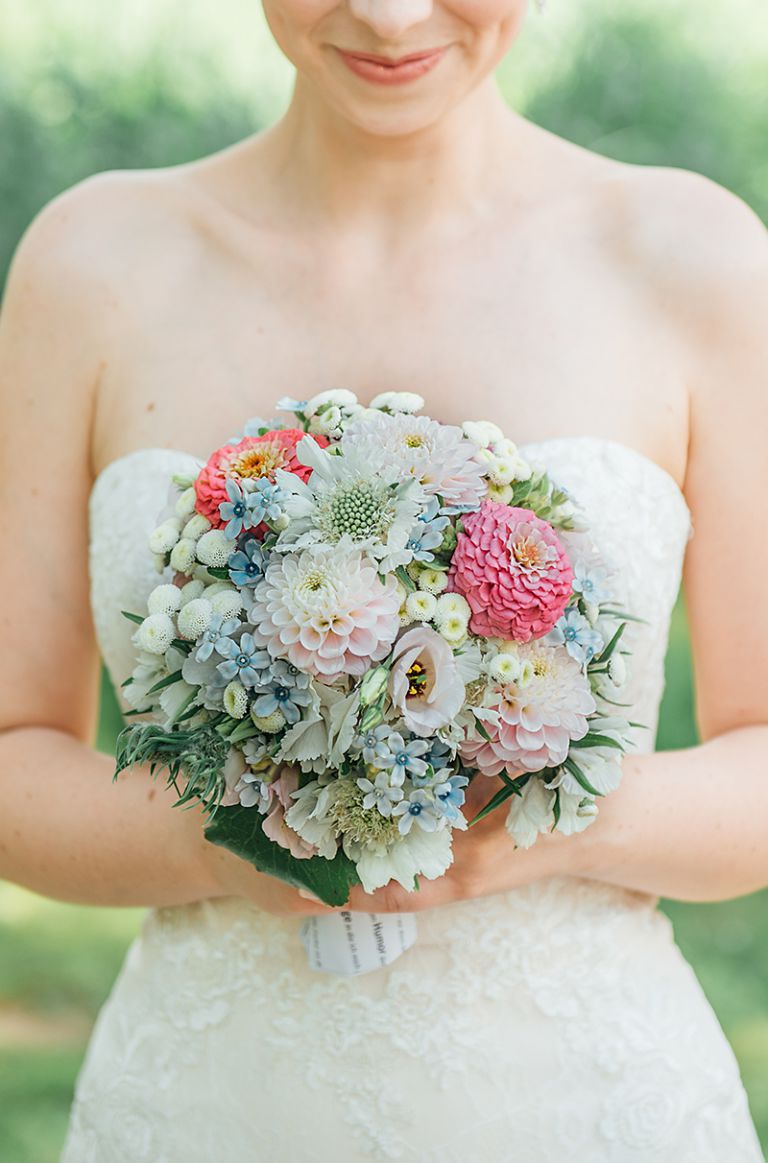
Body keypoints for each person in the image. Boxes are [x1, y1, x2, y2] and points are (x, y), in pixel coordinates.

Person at [1, 1, 766, 1159]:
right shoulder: (91, 262)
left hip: (585, 1107)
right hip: (211, 1105)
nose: (390, 15)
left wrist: (536, 828)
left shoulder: (694, 255)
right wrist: (220, 840)